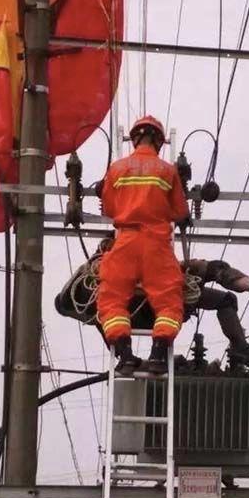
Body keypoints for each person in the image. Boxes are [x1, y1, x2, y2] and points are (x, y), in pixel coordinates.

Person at [55, 247, 249, 372]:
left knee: (222, 295)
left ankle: (246, 332)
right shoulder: (97, 296)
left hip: (158, 300)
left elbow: (117, 345)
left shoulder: (99, 309)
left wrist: (132, 360)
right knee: (213, 280)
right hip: (163, 300)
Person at [96, 115, 189, 373]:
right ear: (159, 141)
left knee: (111, 299)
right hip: (156, 244)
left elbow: (110, 209)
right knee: (169, 302)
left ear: (134, 139)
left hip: (125, 242)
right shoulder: (167, 170)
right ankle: (158, 356)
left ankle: (125, 356)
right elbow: (179, 211)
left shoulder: (117, 169)